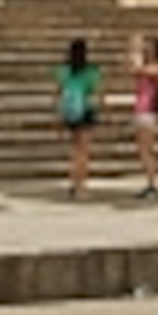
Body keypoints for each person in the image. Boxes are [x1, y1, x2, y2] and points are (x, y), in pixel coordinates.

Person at [55, 37, 103, 197]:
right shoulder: (91, 72)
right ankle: (81, 185)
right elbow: (97, 94)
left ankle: (73, 181)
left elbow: (58, 93)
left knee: (74, 149)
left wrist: (59, 115)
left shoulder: (63, 71)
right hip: (86, 111)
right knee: (84, 151)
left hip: (70, 111)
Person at [130, 34, 158, 198]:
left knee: (147, 150)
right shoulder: (151, 67)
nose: (146, 51)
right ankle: (150, 181)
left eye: (149, 48)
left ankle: (152, 183)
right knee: (144, 149)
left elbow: (137, 69)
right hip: (142, 109)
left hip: (147, 110)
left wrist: (135, 49)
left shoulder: (156, 68)